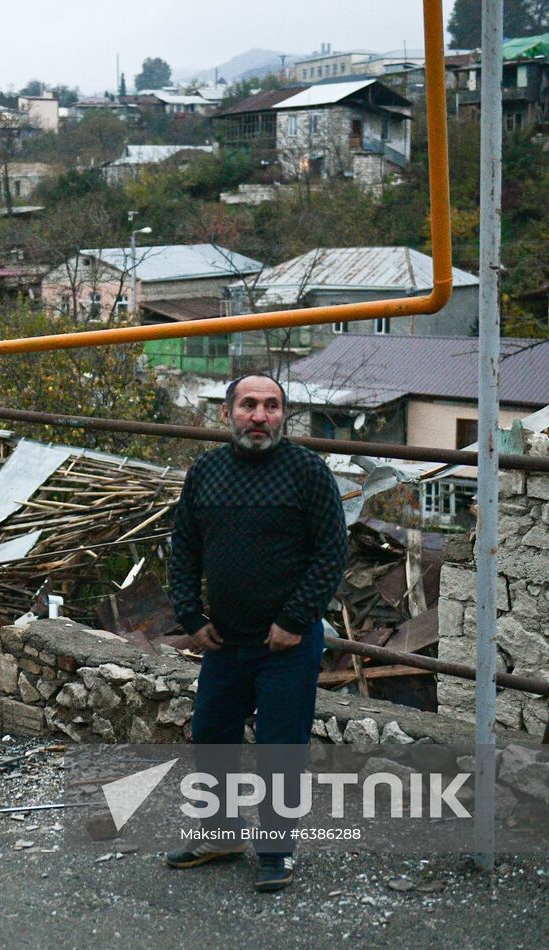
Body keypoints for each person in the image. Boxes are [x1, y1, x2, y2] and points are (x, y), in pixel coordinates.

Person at [163, 373, 348, 892]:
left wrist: (294, 621)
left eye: (271, 406)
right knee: (212, 737)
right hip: (225, 640)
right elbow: (185, 551)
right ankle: (221, 835)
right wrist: (193, 618)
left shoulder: (307, 472)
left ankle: (276, 853)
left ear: (283, 415)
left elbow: (332, 552)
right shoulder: (206, 472)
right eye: (249, 405)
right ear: (228, 414)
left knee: (279, 747)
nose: (260, 416)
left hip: (285, 643)